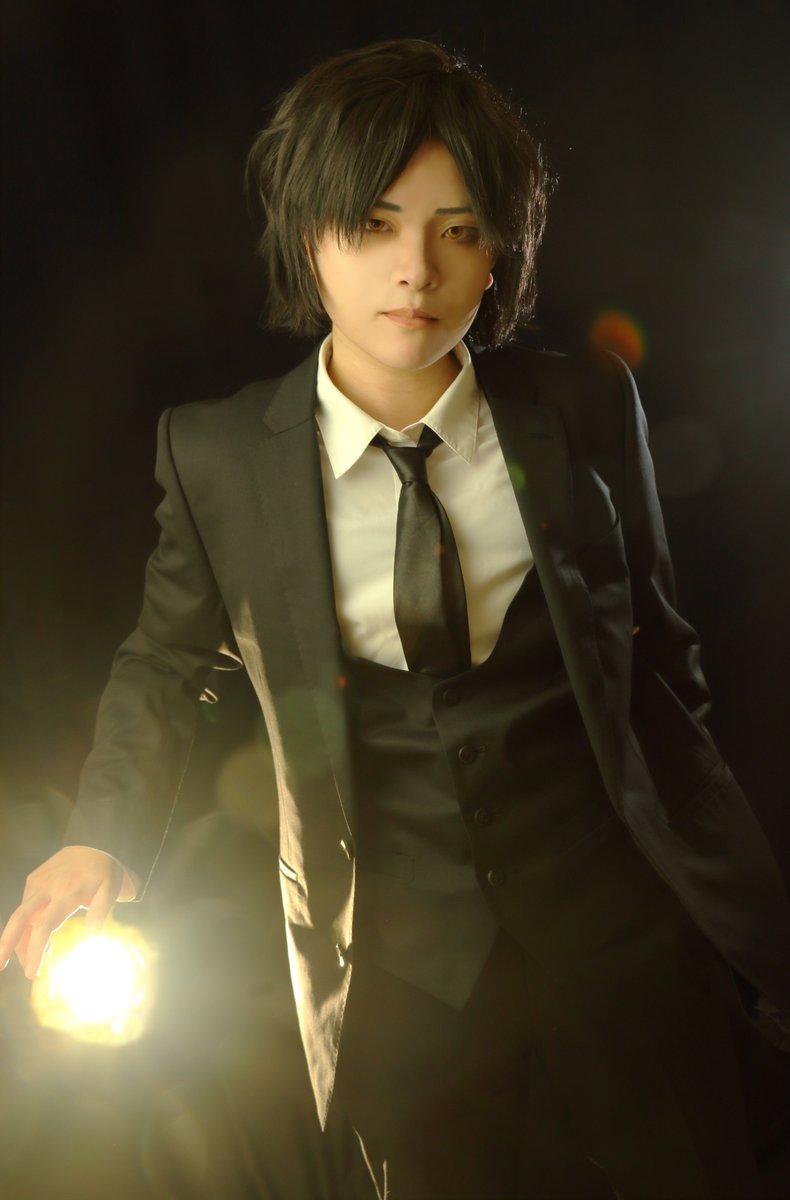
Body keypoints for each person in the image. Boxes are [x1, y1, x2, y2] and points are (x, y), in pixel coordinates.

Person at [2, 37, 789, 1200]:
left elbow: (665, 660)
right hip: (400, 997)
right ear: (308, 238)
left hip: (627, 956)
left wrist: (696, 867)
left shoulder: (583, 409)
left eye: (456, 230)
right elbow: (165, 662)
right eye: (371, 226)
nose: (414, 271)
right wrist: (100, 835)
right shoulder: (218, 454)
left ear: (499, 251)